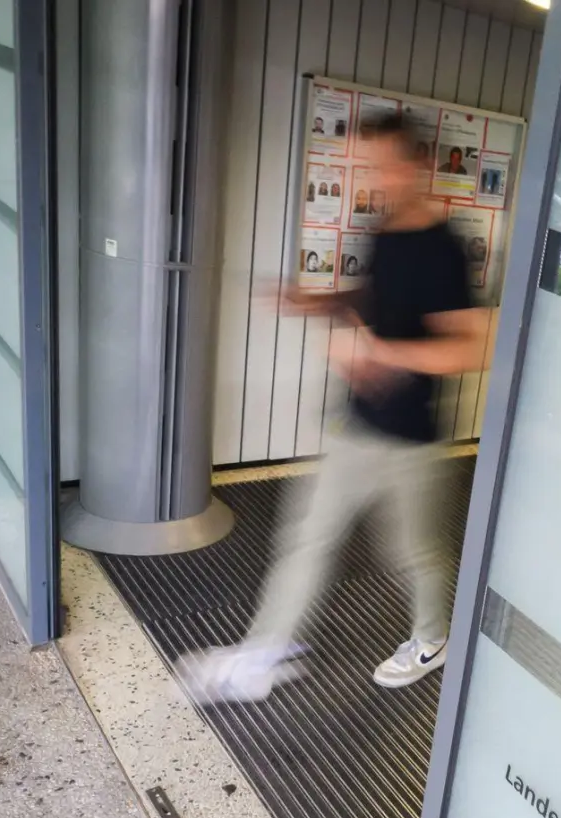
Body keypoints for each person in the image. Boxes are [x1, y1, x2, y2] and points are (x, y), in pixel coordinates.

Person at [174, 111, 489, 704]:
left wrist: (380, 353)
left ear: (418, 165)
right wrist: (315, 300)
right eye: (365, 166)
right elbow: (376, 302)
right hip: (356, 423)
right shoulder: (384, 232)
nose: (374, 178)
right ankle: (263, 656)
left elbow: (469, 349)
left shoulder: (442, 250)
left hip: (410, 441)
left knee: (413, 553)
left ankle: (432, 638)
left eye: (385, 165)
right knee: (307, 539)